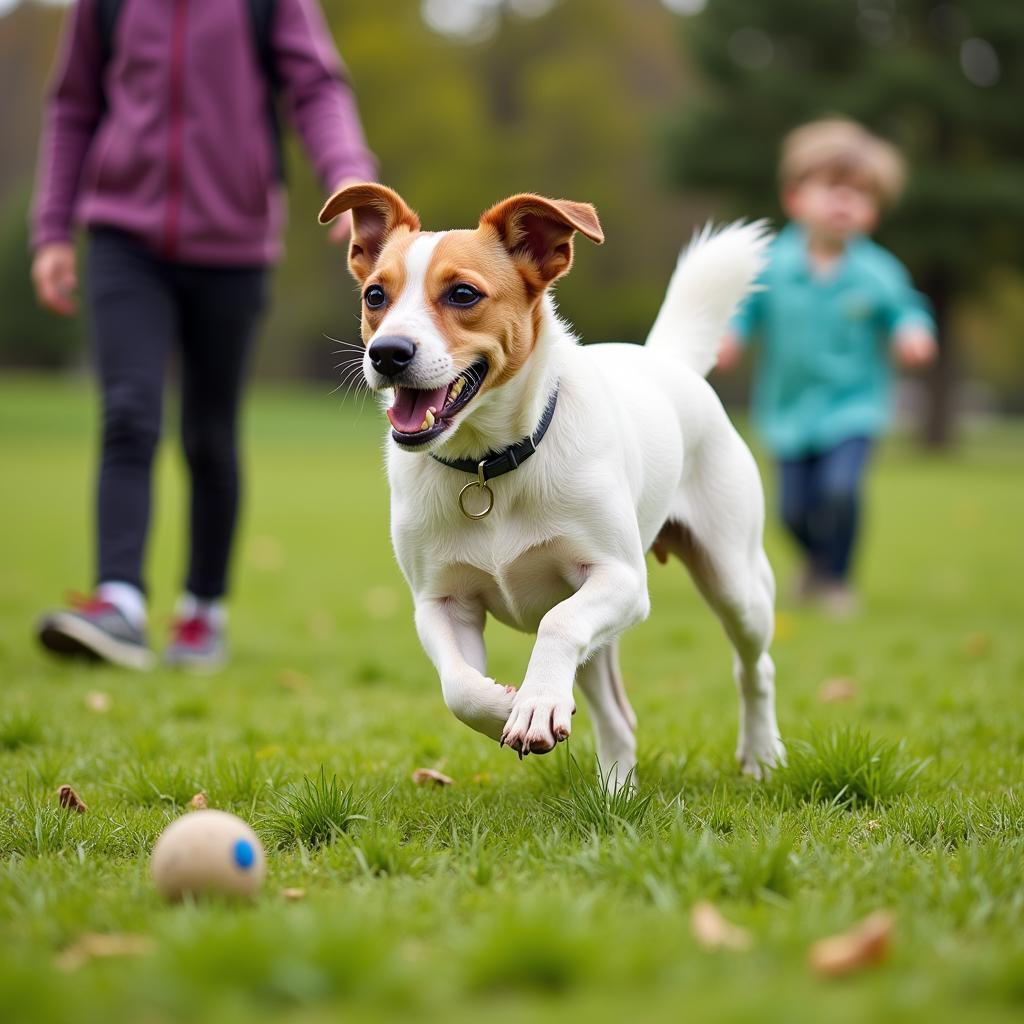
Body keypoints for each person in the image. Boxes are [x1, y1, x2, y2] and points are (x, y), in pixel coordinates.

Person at [30, 0, 376, 670]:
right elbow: (72, 107)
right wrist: (51, 232)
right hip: (122, 238)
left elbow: (316, 86)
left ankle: (201, 612)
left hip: (234, 244)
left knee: (210, 434)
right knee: (128, 412)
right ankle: (121, 603)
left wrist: (347, 174)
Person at [717, 118, 937, 616]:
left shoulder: (877, 271)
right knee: (792, 511)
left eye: (859, 195)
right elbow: (745, 309)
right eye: (832, 189)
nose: (844, 202)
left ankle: (836, 580)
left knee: (839, 492)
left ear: (873, 212)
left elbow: (906, 308)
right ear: (796, 198)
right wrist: (730, 338)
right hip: (790, 412)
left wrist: (912, 331)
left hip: (853, 408)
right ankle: (816, 563)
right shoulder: (773, 264)